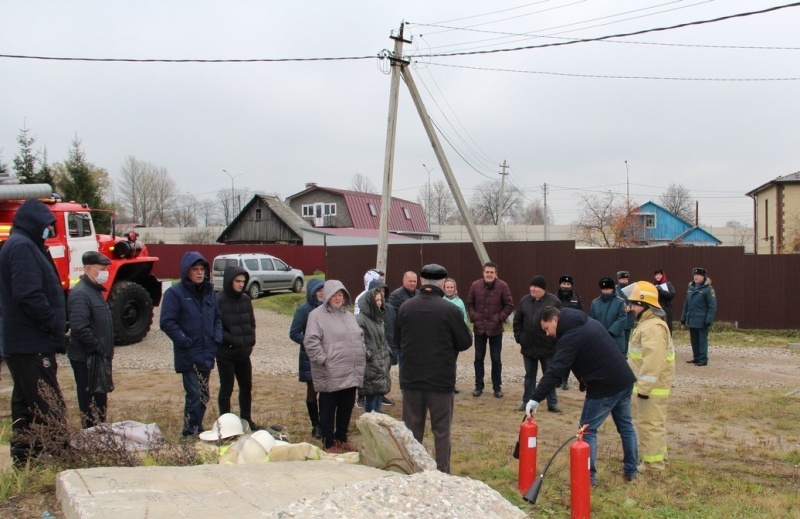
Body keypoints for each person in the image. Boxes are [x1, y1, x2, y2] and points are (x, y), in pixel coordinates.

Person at [526, 307, 638, 486]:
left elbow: (556, 369)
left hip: (604, 387)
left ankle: (587, 478)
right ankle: (631, 472)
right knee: (626, 427)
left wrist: (535, 398)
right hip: (624, 380)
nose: (547, 334)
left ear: (555, 320)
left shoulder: (572, 336)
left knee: (586, 431)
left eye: (547, 328)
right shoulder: (587, 323)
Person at [0, 199, 67, 466]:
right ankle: (62, 458)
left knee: (25, 402)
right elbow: (28, 294)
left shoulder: (22, 245)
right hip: (31, 342)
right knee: (48, 402)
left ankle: (24, 458)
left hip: (23, 342)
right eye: (47, 226)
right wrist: (52, 322)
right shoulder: (23, 247)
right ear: (34, 223)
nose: (49, 231)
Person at [395, 264, 473, 473]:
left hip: (412, 379)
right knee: (441, 430)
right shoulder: (450, 310)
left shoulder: (406, 308)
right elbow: (465, 341)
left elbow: (396, 339)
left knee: (412, 430)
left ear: (421, 281)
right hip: (440, 380)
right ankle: (442, 472)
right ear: (442, 283)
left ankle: (413, 469)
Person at [160, 251, 222, 437]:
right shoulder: (174, 293)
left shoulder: (209, 292)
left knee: (204, 395)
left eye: (202, 269)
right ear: (187, 271)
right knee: (194, 394)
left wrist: (216, 337)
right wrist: (184, 340)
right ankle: (189, 431)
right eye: (195, 269)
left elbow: (217, 318)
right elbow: (167, 322)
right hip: (188, 353)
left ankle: (198, 426)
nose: (199, 273)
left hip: (207, 352)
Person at [304, 280, 366, 453]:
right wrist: (323, 359)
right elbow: (310, 341)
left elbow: (358, 337)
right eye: (334, 295)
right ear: (327, 296)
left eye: (340, 295)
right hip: (330, 370)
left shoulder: (348, 315)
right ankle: (329, 441)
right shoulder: (316, 315)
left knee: (346, 406)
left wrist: (363, 352)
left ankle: (341, 438)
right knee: (328, 408)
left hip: (349, 370)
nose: (338, 298)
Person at [623, 280, 675, 474]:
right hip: (653, 387)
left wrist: (643, 388)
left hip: (651, 389)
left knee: (650, 425)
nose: (631, 307)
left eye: (634, 303)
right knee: (654, 424)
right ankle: (659, 461)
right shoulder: (649, 324)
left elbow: (653, 361)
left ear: (644, 304)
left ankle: (653, 467)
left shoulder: (652, 327)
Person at [68, 251, 114, 429]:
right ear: (88, 269)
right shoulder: (81, 293)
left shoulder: (95, 291)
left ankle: (98, 431)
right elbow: (79, 327)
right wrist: (98, 347)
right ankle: (90, 434)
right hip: (86, 359)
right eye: (102, 269)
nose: (106, 273)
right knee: (89, 402)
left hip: (97, 357)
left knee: (100, 400)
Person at [215, 265, 258, 431]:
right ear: (229, 281)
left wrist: (250, 341)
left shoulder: (246, 299)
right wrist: (231, 340)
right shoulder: (219, 300)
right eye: (237, 281)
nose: (241, 284)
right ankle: (225, 423)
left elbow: (251, 323)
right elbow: (216, 327)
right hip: (226, 353)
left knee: (246, 386)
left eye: (243, 281)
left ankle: (246, 419)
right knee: (227, 387)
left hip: (243, 352)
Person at [513, 275, 562, 413]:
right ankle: (526, 401)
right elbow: (517, 321)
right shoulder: (525, 301)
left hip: (547, 347)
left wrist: (553, 340)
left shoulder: (554, 301)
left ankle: (552, 403)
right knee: (529, 375)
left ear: (543, 289)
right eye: (532, 286)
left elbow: (560, 323)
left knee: (550, 374)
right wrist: (519, 337)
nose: (533, 289)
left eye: (536, 287)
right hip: (528, 346)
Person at [467, 261, 513, 398]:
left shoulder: (503, 286)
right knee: (478, 358)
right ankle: (478, 386)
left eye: (491, 272)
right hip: (479, 328)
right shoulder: (475, 286)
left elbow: (509, 304)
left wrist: (500, 318)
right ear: (483, 273)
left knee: (496, 359)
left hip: (496, 329)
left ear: (495, 273)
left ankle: (497, 387)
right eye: (487, 272)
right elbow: (469, 303)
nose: (489, 274)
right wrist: (474, 317)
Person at [289, 277, 325, 439]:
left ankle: (325, 422)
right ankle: (315, 424)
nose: (321, 293)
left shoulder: (328, 308)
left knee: (326, 390)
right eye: (318, 290)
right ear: (312, 292)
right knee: (312, 391)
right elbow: (294, 333)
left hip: (327, 356)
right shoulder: (304, 310)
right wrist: (310, 342)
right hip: (309, 356)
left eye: (323, 290)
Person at [357, 287, 391, 413]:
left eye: (380, 299)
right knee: (371, 394)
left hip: (380, 362)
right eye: (376, 300)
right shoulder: (361, 320)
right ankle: (370, 420)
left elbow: (382, 339)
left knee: (378, 393)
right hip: (370, 364)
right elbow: (361, 342)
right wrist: (369, 354)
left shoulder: (378, 318)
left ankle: (376, 415)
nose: (379, 302)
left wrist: (387, 351)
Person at [680, 267, 717, 366]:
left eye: (698, 275)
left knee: (702, 340)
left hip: (702, 320)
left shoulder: (708, 290)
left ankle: (703, 359)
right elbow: (686, 305)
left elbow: (712, 306)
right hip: (691, 319)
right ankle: (696, 357)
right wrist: (683, 318)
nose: (696, 277)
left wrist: (709, 319)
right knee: (694, 340)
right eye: (694, 275)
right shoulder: (690, 288)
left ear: (703, 276)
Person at [386, 271, 419, 380]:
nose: (413, 283)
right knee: (404, 365)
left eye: (415, 281)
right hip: (404, 337)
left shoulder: (419, 294)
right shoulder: (396, 296)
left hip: (417, 337)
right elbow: (393, 317)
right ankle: (404, 387)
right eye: (410, 281)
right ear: (404, 281)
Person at [555, 274, 583, 389]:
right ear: (560, 284)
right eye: (563, 284)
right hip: (557, 331)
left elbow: (580, 314)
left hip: (571, 332)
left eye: (568, 284)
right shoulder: (554, 297)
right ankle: (557, 379)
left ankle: (565, 380)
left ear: (571, 285)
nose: (565, 286)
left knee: (568, 356)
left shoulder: (576, 298)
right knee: (556, 356)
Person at [588, 277, 628, 355]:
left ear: (612, 289)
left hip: (615, 338)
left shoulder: (620, 302)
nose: (605, 291)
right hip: (599, 338)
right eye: (603, 289)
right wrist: (597, 331)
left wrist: (610, 332)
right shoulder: (595, 303)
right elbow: (591, 317)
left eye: (607, 289)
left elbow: (622, 318)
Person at [443, 277, 467, 394]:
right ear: (444, 288)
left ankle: (451, 384)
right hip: (443, 337)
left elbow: (464, 319)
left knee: (452, 362)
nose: (449, 289)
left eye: (451, 287)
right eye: (447, 287)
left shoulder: (460, 302)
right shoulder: (441, 300)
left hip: (454, 337)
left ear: (455, 288)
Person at [615, 270, 635, 356]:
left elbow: (633, 298)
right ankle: (619, 354)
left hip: (629, 317)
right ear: (618, 279)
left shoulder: (631, 289)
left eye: (626, 279)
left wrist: (630, 306)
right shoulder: (616, 289)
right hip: (619, 317)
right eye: (623, 279)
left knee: (627, 338)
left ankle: (625, 354)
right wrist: (625, 306)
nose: (625, 281)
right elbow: (617, 299)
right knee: (619, 338)